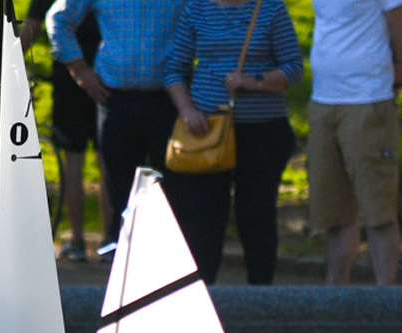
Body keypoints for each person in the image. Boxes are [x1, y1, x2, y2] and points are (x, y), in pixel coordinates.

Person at [163, 0, 299, 284]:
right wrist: (188, 110)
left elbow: (293, 68)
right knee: (204, 218)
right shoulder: (196, 9)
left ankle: (260, 294)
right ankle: (202, 292)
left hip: (263, 130)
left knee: (255, 214)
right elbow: (175, 69)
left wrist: (253, 81)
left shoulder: (270, 8)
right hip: (207, 132)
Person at [51, 0, 182, 248]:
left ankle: (166, 259)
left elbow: (208, 18)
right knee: (118, 189)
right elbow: (58, 19)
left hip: (169, 99)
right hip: (115, 99)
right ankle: (121, 258)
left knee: (171, 188)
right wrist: (78, 68)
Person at [307, 0, 402, 285]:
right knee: (335, 216)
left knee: (379, 211)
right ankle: (335, 301)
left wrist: (399, 70)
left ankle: (385, 299)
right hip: (322, 101)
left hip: (367, 100)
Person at [25, 0, 110, 261]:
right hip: (109, 74)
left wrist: (0, 64)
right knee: (107, 158)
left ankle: (77, 241)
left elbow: (31, 30)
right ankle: (110, 241)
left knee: (74, 161)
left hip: (70, 76)